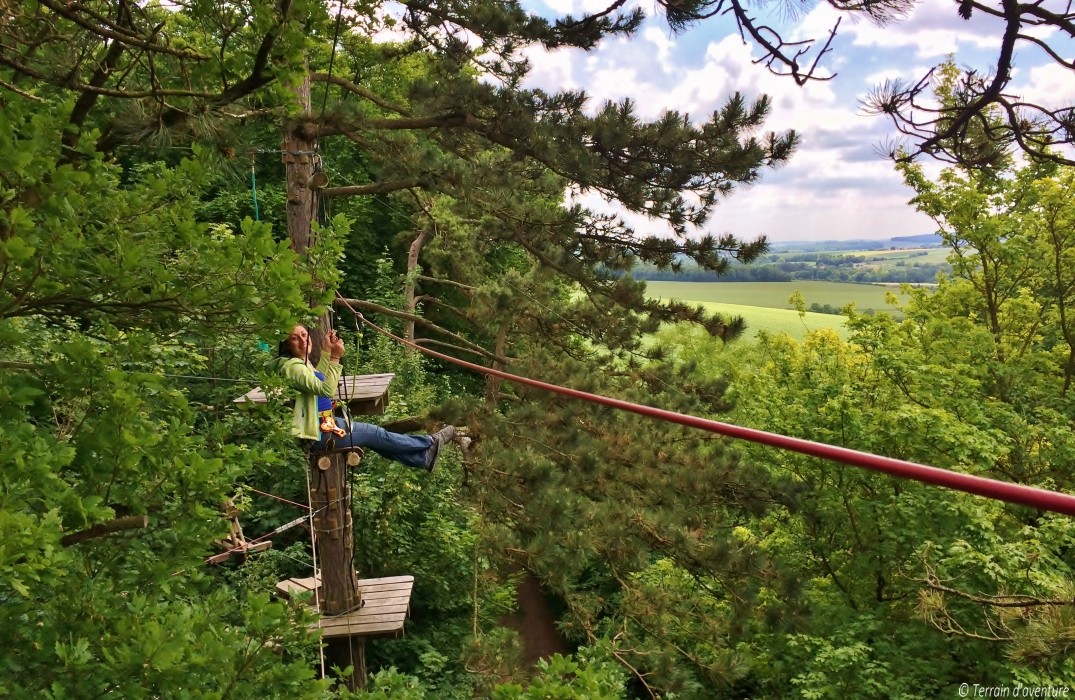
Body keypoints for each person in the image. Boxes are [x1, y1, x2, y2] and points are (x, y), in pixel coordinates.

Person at [273, 324, 456, 471]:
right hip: (318, 434)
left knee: (378, 441)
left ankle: (422, 457)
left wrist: (327, 352)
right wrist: (335, 358)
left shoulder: (300, 364)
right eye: (295, 338)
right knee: (376, 434)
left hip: (323, 427)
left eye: (304, 335)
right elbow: (326, 389)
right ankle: (429, 443)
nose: (303, 341)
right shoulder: (293, 367)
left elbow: (317, 381)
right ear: (286, 345)